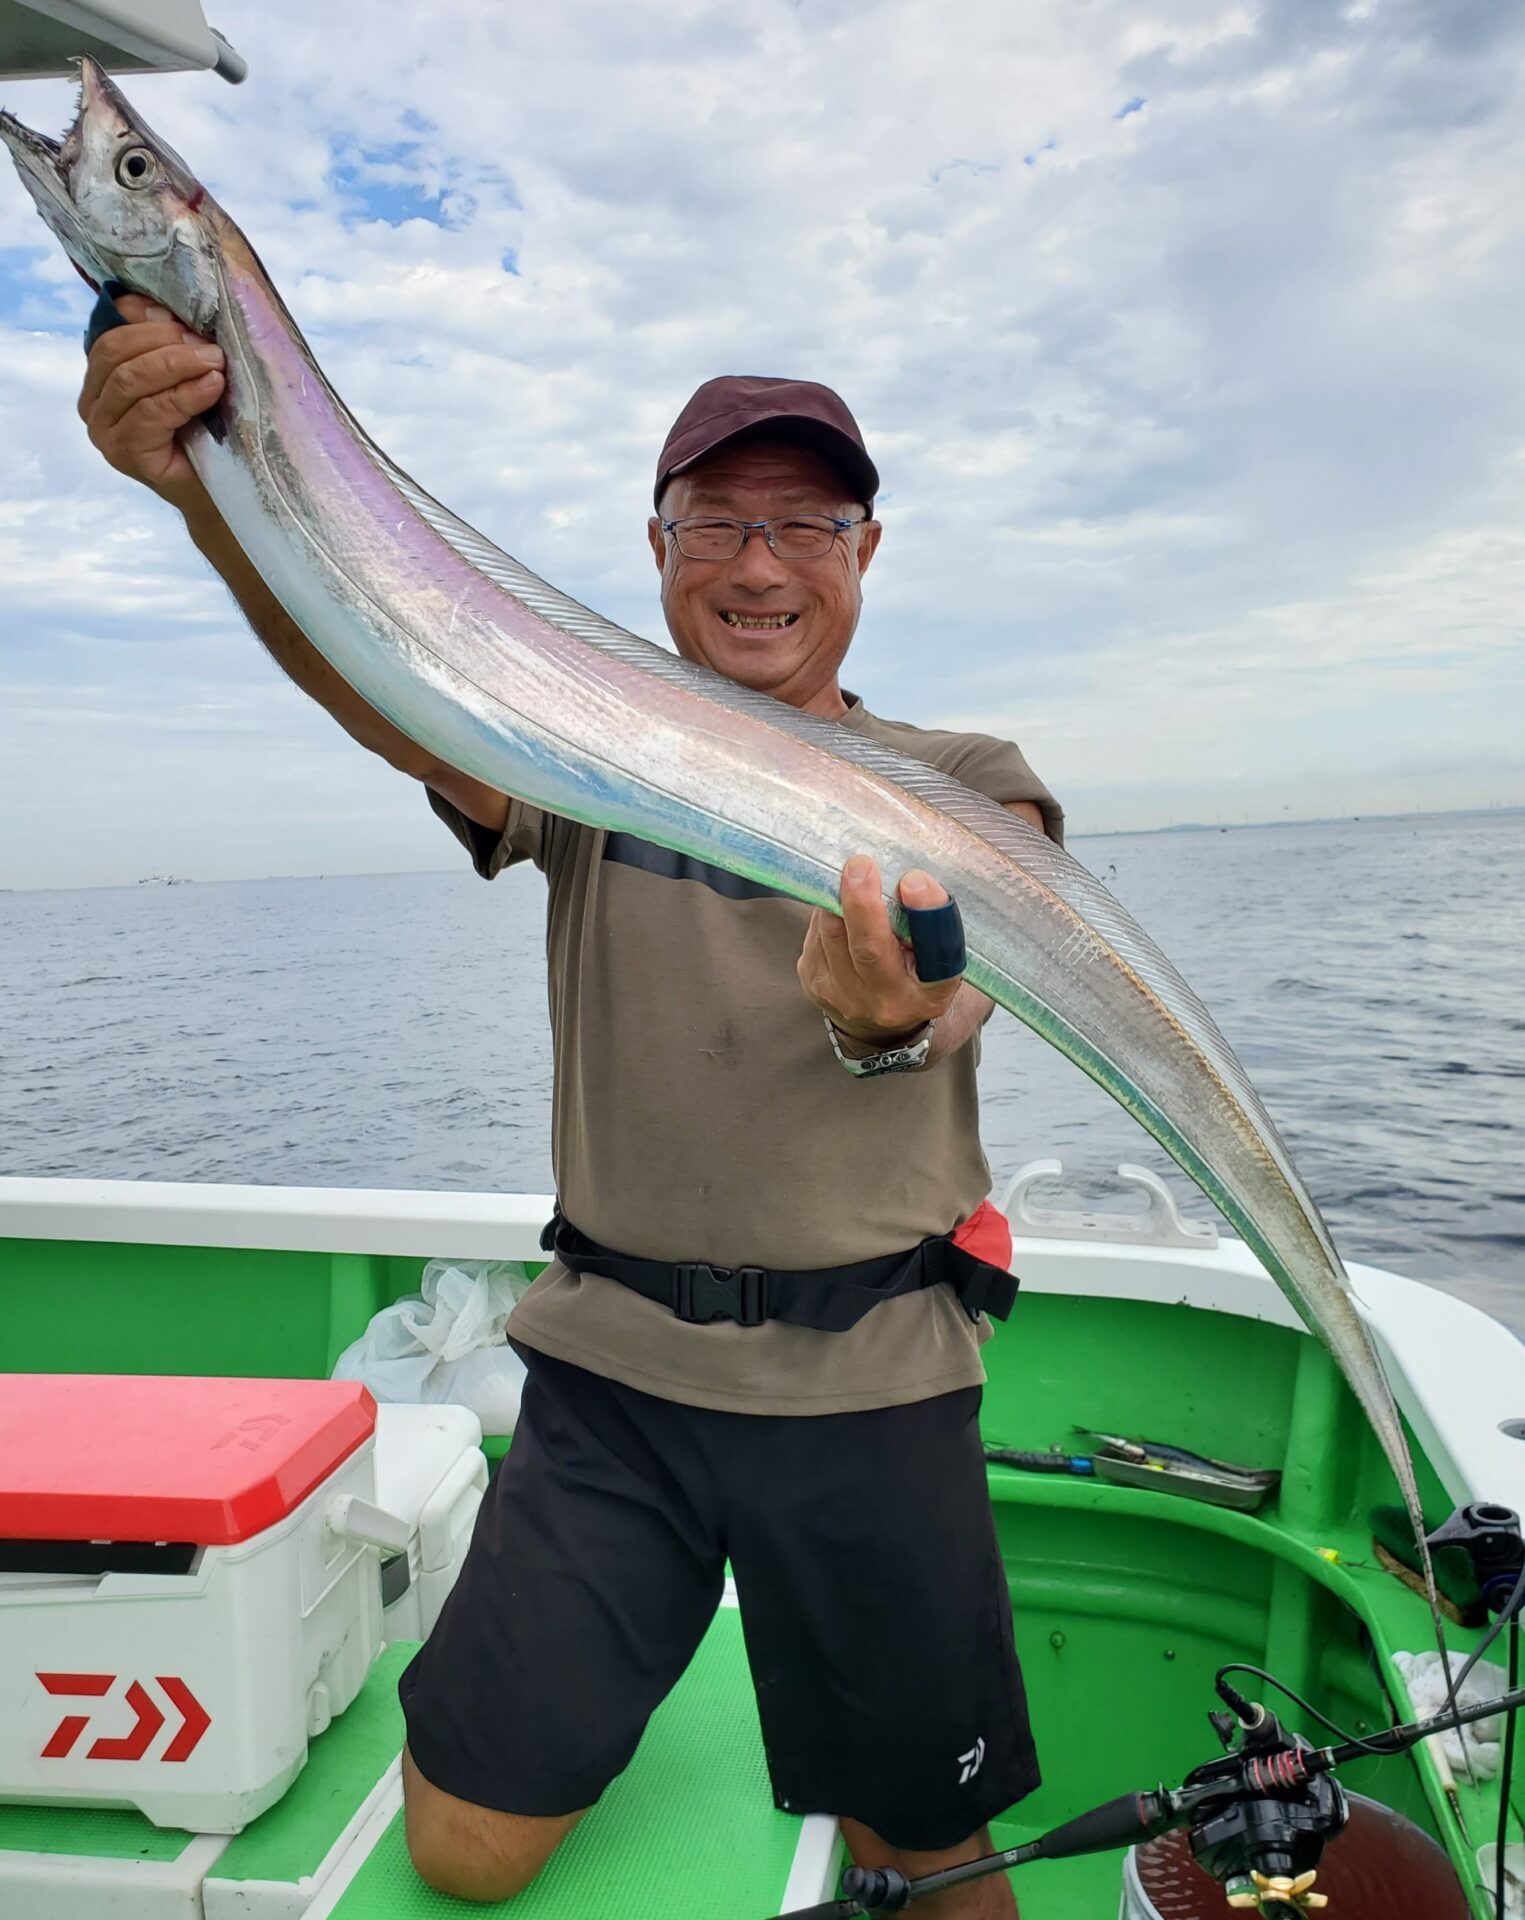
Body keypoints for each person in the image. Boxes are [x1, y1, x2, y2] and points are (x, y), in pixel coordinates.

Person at [77, 313, 1065, 1917]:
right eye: (717, 522)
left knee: (931, 1857)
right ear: (659, 543)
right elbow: (380, 676)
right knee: (462, 1854)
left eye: (804, 522)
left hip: (866, 1389)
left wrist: (891, 1025)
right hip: (613, 1383)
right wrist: (206, 488)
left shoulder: (954, 775)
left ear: (865, 548)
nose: (760, 564)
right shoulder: (588, 756)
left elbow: (973, 982)